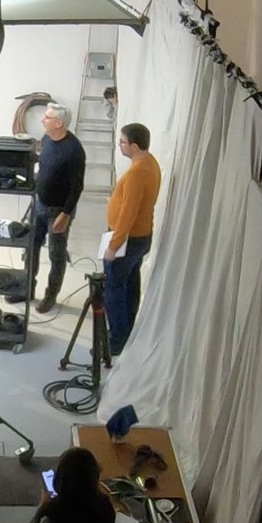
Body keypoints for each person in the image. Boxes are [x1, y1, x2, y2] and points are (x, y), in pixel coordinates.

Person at [101, 121, 161, 358]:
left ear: (134, 146)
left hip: (127, 239)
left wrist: (113, 246)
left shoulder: (137, 172)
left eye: (123, 142)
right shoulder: (150, 162)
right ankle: (127, 331)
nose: (120, 146)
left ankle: (117, 339)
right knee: (129, 284)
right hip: (140, 236)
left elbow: (129, 212)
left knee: (113, 287)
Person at [29, 105, 86, 312]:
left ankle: (50, 295)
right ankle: (26, 289)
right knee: (30, 247)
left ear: (59, 123)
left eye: (47, 117)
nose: (43, 120)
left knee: (56, 254)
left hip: (58, 211)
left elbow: (77, 187)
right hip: (40, 204)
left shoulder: (74, 151)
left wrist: (66, 214)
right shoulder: (46, 140)